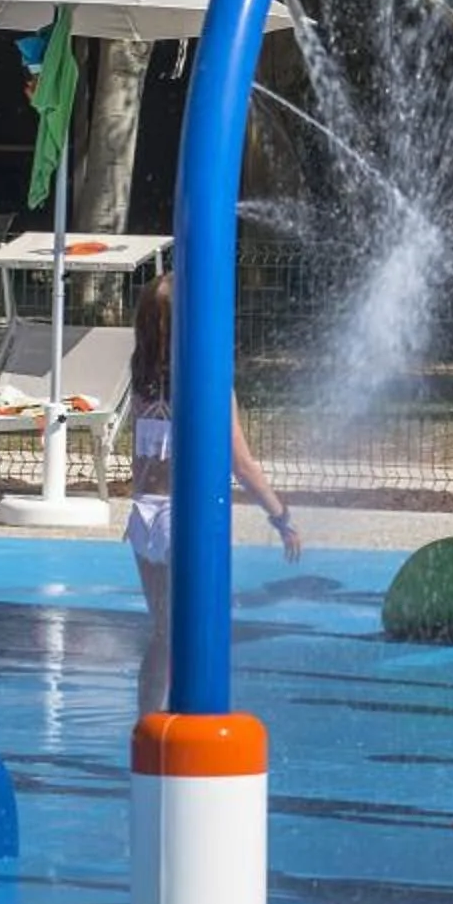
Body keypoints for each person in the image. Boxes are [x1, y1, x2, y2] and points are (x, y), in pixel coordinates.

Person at [124, 272, 300, 719]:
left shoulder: (141, 377)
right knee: (195, 630)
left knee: (162, 632)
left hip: (143, 514)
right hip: (182, 516)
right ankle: (187, 721)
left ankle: (145, 724)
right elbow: (241, 463)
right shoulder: (205, 382)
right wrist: (280, 515)